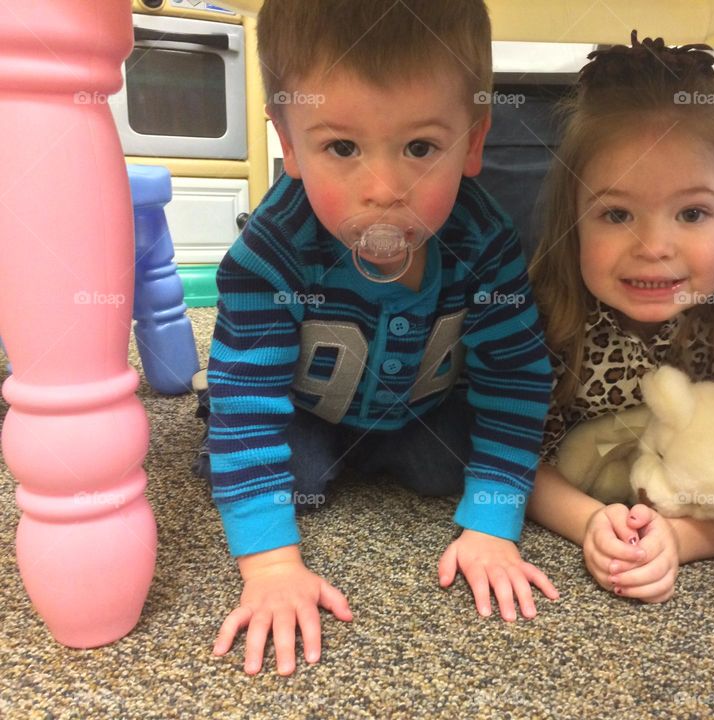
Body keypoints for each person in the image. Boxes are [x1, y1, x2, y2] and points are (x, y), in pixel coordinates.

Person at [195, 0, 558, 676]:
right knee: (271, 468)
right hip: (303, 408)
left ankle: (390, 458)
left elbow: (516, 378)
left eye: (421, 148)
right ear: (289, 142)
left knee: (453, 471)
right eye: (342, 147)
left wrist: (492, 526)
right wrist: (272, 567)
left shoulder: (486, 243)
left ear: (473, 142)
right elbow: (249, 400)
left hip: (420, 408)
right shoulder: (268, 254)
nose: (386, 190)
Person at [525, 34, 714, 604]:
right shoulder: (548, 321)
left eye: (691, 212)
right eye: (617, 213)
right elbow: (511, 459)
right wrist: (589, 521)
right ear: (573, 225)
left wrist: (685, 539)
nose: (654, 246)